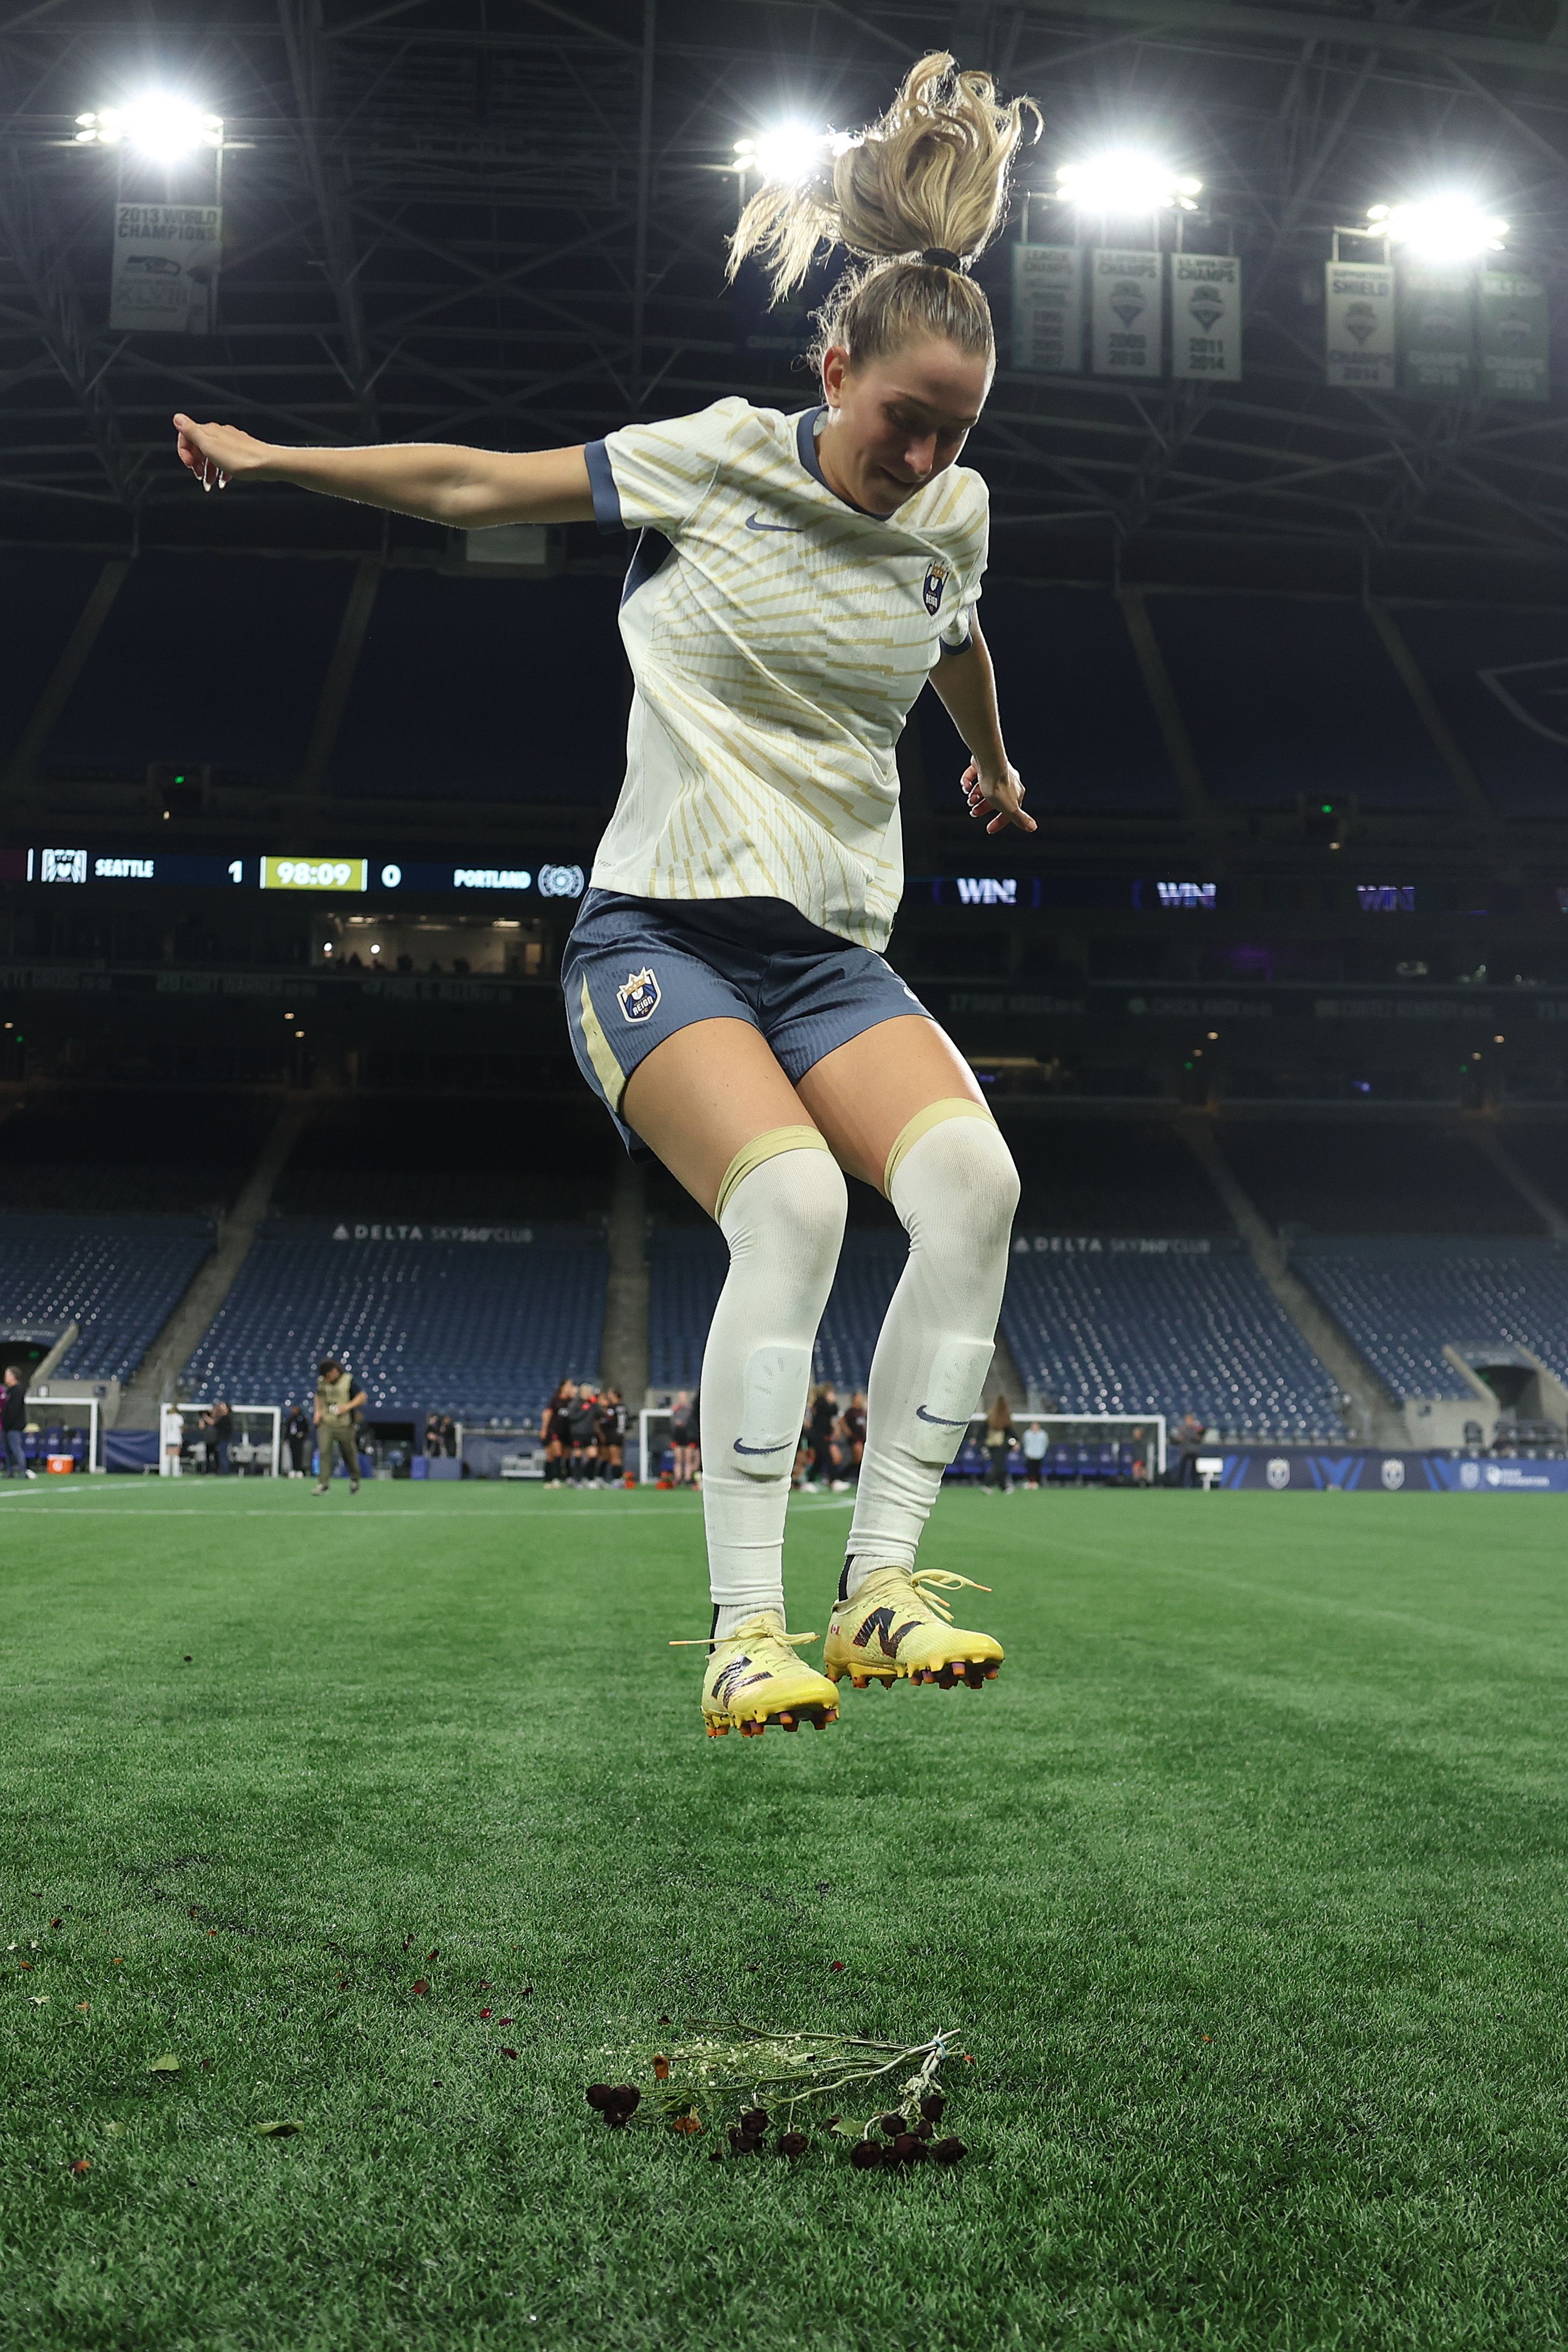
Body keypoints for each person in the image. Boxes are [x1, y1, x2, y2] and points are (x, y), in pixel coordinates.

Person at [170, 51, 1032, 1738]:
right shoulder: (713, 458)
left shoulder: (955, 512)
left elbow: (956, 630)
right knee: (792, 1211)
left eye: (953, 433)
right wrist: (279, 459)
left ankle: (879, 1589)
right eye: (900, 417)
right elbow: (481, 483)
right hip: (661, 939)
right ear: (830, 362)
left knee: (976, 1191)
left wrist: (988, 763)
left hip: (834, 957)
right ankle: (740, 1628)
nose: (922, 452)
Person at [313, 1356, 365, 1495]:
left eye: (328, 1375)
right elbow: (318, 1395)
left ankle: (355, 1479)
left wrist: (347, 1407)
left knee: (348, 1453)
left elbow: (362, 1397)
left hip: (344, 1424)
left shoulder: (349, 1381)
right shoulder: (322, 1382)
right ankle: (323, 1484)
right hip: (326, 1422)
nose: (327, 1379)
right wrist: (317, 1412)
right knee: (324, 1452)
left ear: (335, 1371)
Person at [2, 1365, 34, 1479]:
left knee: (16, 1449)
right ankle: (10, 1471)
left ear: (14, 1377)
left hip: (14, 1426)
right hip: (7, 1426)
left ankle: (22, 1471)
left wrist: (8, 1422)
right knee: (8, 1451)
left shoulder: (18, 1391)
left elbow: (14, 1410)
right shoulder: (9, 1391)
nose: (5, 1378)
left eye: (7, 1375)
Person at [541, 1380, 574, 1485]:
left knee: (566, 1455)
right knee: (557, 1453)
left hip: (568, 1432)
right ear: (563, 1387)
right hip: (555, 1431)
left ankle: (568, 1477)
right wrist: (544, 1429)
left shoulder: (572, 1402)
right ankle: (555, 1478)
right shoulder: (556, 1400)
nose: (571, 1387)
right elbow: (547, 1414)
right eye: (569, 1385)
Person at [668, 1389, 698, 1488]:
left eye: (684, 1397)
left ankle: (688, 1478)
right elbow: (672, 1423)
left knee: (689, 1458)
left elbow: (693, 1423)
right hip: (678, 1436)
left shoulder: (691, 1410)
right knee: (678, 1459)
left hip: (689, 1436)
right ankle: (678, 1478)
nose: (682, 1399)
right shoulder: (675, 1410)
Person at [984, 1392, 1013, 1492]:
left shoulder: (991, 1416)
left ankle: (1004, 1487)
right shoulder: (1005, 1417)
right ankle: (987, 1484)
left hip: (991, 1444)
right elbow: (1010, 1431)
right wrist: (1015, 1441)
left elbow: (984, 1429)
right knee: (999, 1466)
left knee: (1000, 1465)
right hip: (1000, 1445)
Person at [597, 1388, 626, 1486]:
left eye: (610, 1394)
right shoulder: (623, 1407)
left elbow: (606, 1420)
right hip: (618, 1434)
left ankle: (617, 1479)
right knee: (607, 1457)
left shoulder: (612, 1408)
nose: (608, 1396)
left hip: (613, 1435)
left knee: (615, 1458)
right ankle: (600, 1477)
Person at [200, 1399, 235, 1476]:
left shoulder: (225, 1418)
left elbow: (213, 1423)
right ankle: (222, 1471)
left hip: (224, 1440)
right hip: (220, 1440)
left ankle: (225, 1471)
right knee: (220, 1456)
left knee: (223, 1456)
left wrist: (205, 1417)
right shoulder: (221, 1417)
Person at [283, 1399, 311, 1478]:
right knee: (292, 1454)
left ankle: (299, 1470)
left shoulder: (302, 1419)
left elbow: (307, 1429)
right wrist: (286, 1438)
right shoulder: (290, 1419)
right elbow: (287, 1429)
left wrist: (302, 1434)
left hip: (300, 1440)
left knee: (299, 1454)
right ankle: (293, 1469)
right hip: (292, 1439)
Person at [1021, 1416, 1047, 1488]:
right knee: (1030, 1469)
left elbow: (1045, 1444)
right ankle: (1030, 1482)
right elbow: (1025, 1443)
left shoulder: (1043, 1434)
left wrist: (1042, 1452)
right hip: (1030, 1454)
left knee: (1037, 1469)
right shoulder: (1027, 1434)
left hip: (1039, 1454)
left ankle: (1037, 1483)